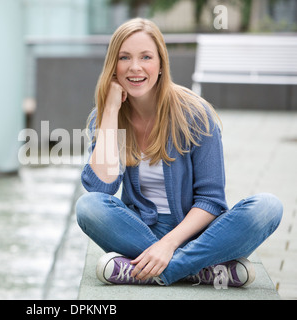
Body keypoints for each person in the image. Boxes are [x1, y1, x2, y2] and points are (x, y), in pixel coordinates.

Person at [75, 18, 283, 287]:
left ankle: (158, 270)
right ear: (113, 66)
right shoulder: (105, 117)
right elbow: (99, 189)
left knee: (267, 207)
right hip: (140, 230)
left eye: (146, 57)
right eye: (124, 57)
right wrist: (112, 111)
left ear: (161, 64)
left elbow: (211, 200)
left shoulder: (195, 114)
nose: (135, 67)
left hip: (198, 232)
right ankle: (203, 270)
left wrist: (168, 246)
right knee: (88, 207)